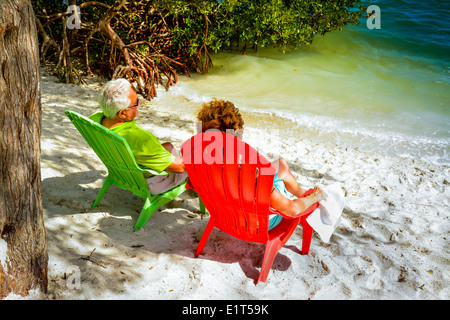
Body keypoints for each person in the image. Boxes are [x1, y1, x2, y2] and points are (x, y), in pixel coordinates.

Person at [196, 98, 324, 229]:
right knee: (281, 169)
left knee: (280, 164)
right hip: (253, 224)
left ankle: (301, 192)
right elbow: (291, 209)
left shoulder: (198, 162)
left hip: (223, 215)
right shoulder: (250, 176)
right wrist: (314, 198)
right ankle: (306, 194)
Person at [89, 78, 187, 194]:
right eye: (136, 102)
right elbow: (181, 167)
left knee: (168, 147)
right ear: (122, 113)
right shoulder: (140, 140)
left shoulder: (94, 120)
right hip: (150, 182)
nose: (139, 103)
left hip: (123, 172)